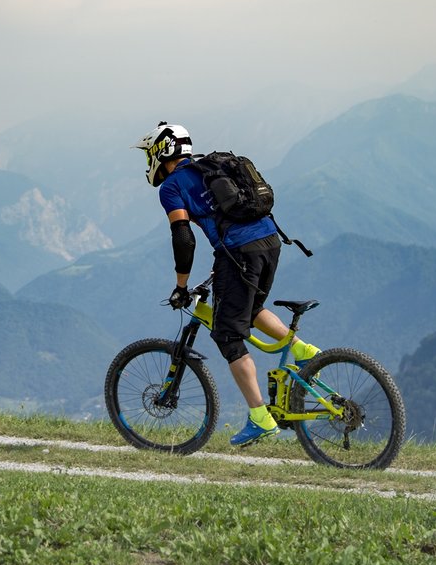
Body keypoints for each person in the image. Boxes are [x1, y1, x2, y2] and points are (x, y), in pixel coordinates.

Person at [133, 122, 320, 446]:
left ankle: (260, 418)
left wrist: (181, 286)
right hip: (270, 243)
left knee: (227, 333)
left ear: (159, 154)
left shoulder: (172, 187)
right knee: (249, 309)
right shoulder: (212, 168)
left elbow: (183, 238)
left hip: (240, 252)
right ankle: (305, 352)